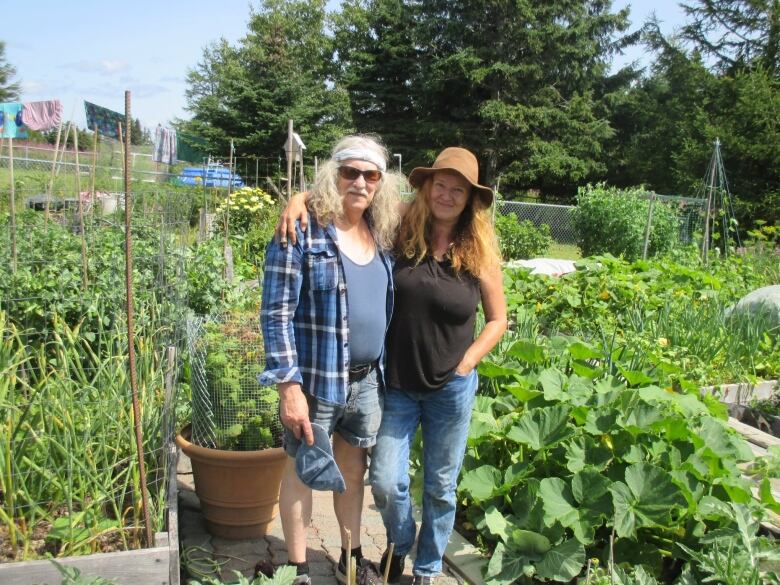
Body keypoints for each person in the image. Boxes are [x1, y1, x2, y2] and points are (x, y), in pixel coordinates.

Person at [278, 147, 507, 585]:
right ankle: (401, 543)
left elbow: (498, 319)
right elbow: (351, 194)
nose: (446, 195)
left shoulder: (480, 253)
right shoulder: (401, 227)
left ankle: (426, 567)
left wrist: (469, 362)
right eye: (439, 184)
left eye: (457, 190)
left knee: (440, 486)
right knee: (384, 480)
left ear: (470, 199)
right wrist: (300, 199)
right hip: (398, 385)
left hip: (451, 391)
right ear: (427, 188)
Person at [260, 134, 401, 585]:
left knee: (353, 472)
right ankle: (298, 569)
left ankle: (350, 559)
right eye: (350, 172)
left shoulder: (383, 234)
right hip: (316, 380)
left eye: (370, 174)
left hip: (366, 382)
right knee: (302, 469)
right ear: (332, 174)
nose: (360, 182)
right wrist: (288, 387)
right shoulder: (300, 230)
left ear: (381, 183)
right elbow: (275, 312)